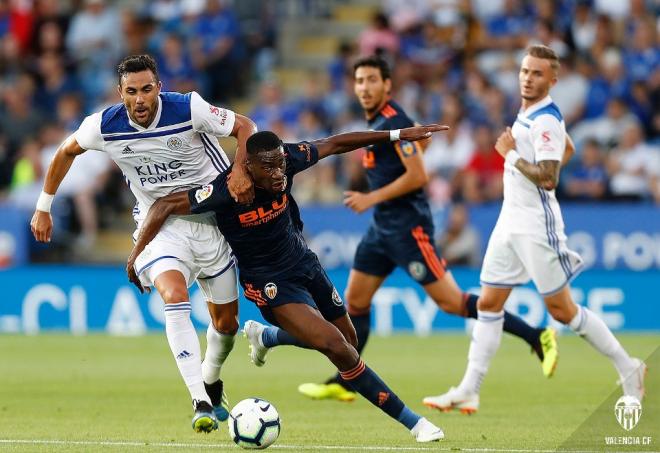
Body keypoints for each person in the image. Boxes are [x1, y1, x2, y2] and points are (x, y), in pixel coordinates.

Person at [126, 127, 451, 443]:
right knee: (338, 348)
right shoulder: (226, 191)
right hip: (269, 283)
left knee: (348, 341)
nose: (279, 171)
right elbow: (165, 205)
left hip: (305, 264)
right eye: (268, 166)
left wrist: (395, 135)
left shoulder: (288, 159)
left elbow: (336, 143)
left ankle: (267, 336)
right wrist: (138, 252)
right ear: (247, 166)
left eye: (280, 162)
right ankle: (415, 423)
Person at [298, 55, 560, 405]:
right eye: (359, 81)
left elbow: (418, 175)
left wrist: (370, 197)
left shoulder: (396, 119)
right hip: (381, 229)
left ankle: (536, 335)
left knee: (452, 303)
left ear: (387, 85)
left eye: (372, 80)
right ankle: (347, 381)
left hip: (408, 229)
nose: (364, 87)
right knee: (355, 301)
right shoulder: (381, 122)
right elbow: (416, 148)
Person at [30, 54, 258, 432]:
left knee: (227, 325)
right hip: (160, 224)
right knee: (173, 294)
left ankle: (211, 380)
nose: (140, 99)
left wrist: (238, 171)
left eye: (147, 89)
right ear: (120, 93)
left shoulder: (189, 108)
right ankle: (199, 400)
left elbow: (246, 126)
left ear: (159, 87)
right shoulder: (104, 125)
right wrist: (43, 207)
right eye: (131, 91)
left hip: (213, 223)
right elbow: (66, 151)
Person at [424, 45, 646, 414]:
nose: (528, 78)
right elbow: (568, 147)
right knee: (489, 302)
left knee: (562, 311)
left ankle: (629, 367)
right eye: (525, 71)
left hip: (535, 225)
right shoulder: (531, 112)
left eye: (537, 73)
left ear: (552, 80)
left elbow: (549, 177)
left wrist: (510, 154)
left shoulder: (545, 119)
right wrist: (522, 153)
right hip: (509, 219)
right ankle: (468, 388)